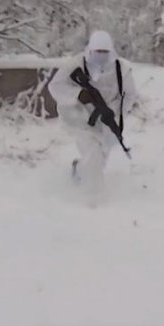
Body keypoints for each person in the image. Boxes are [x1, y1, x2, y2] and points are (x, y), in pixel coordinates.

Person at [49, 30, 138, 202]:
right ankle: (92, 199)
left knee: (99, 158)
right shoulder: (76, 64)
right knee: (93, 155)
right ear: (90, 50)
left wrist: (114, 112)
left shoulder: (121, 68)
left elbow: (130, 95)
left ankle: (79, 170)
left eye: (105, 52)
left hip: (108, 121)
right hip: (80, 118)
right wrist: (78, 94)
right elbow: (55, 86)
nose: (101, 56)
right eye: (98, 52)